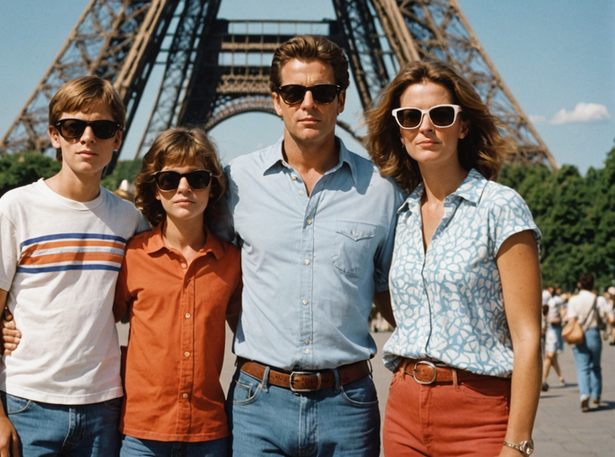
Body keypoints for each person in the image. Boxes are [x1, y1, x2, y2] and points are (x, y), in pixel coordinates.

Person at [218, 35, 403, 457]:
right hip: (258, 401)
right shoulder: (235, 183)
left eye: (322, 92)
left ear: (340, 100)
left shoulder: (381, 190)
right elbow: (213, 272)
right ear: (276, 100)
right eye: (293, 92)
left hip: (349, 404)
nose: (308, 103)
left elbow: (394, 291)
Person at [366, 59, 542, 457]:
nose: (425, 127)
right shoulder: (401, 215)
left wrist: (517, 444)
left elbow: (528, 337)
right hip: (404, 411)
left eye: (441, 115)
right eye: (411, 116)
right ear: (399, 129)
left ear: (463, 125)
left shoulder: (500, 207)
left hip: (478, 412)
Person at [0, 76, 148, 457]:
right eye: (73, 127)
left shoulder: (129, 220)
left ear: (117, 139)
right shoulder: (16, 208)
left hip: (104, 406)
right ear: (55, 135)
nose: (88, 138)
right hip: (27, 404)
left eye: (102, 129)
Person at [115, 127, 242, 457]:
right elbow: (94, 323)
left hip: (209, 432)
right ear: (155, 190)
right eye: (169, 180)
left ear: (212, 186)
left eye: (197, 178)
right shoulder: (132, 257)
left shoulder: (232, 262)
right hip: (143, 433)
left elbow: (252, 334)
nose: (183, 188)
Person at [565, 274, 612, 412]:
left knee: (582, 367)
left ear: (579, 284)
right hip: (594, 334)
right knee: (596, 367)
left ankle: (584, 394)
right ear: (593, 284)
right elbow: (608, 318)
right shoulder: (599, 299)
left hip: (579, 335)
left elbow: (571, 319)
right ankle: (596, 395)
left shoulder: (573, 300)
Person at [541, 285, 566, 391]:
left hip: (552, 330)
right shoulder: (547, 297)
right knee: (552, 357)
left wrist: (560, 318)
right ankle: (560, 377)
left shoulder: (556, 300)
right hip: (546, 330)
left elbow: (565, 310)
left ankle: (543, 380)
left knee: (550, 356)